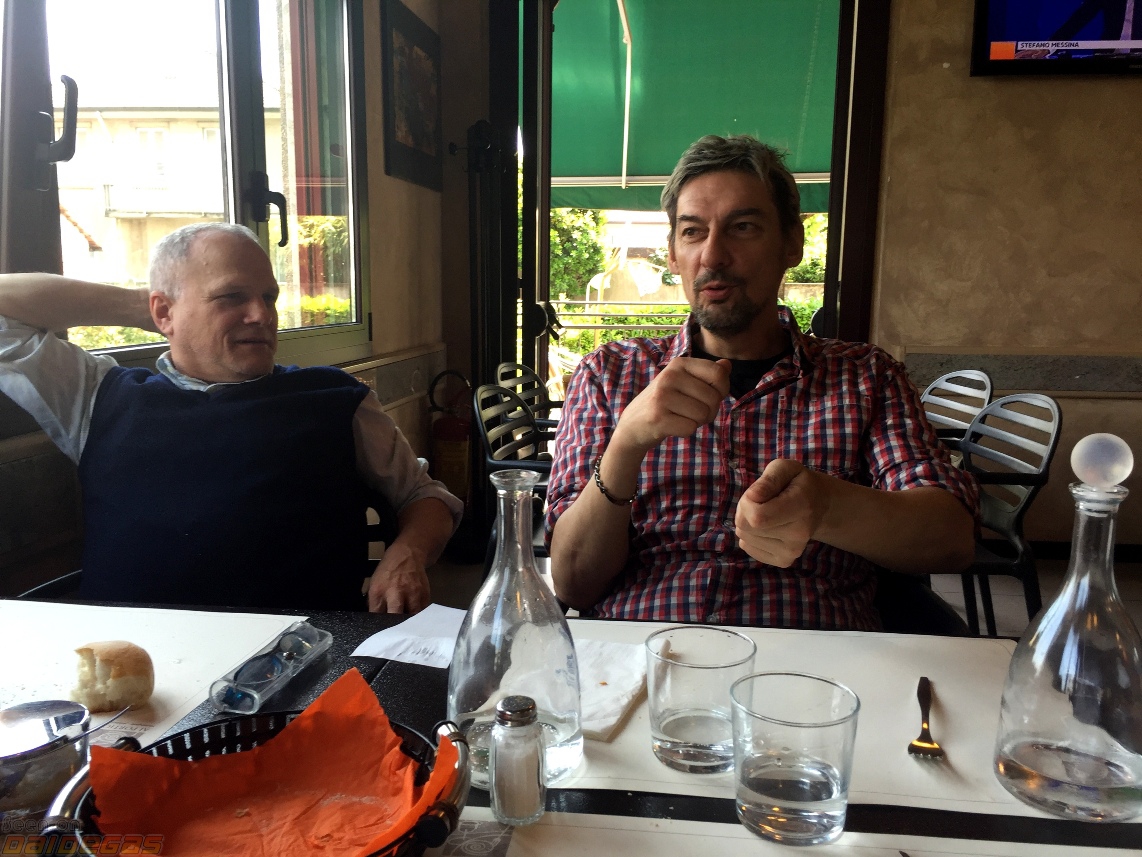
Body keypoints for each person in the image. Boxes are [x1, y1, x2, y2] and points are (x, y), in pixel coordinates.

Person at [545, 135, 979, 631]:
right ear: (673, 254)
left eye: (743, 227)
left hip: (813, 662)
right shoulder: (608, 374)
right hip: (639, 653)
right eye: (692, 232)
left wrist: (828, 507)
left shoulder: (865, 376)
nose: (713, 255)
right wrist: (625, 446)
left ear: (792, 243)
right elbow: (573, 584)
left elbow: (952, 539)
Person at [0, 222, 461, 613]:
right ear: (162, 311)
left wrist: (408, 552)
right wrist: (145, 309)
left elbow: (426, 497)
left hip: (304, 660)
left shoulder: (336, 399)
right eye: (231, 297)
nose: (261, 315)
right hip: (136, 671)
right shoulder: (94, 396)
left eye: (269, 296)